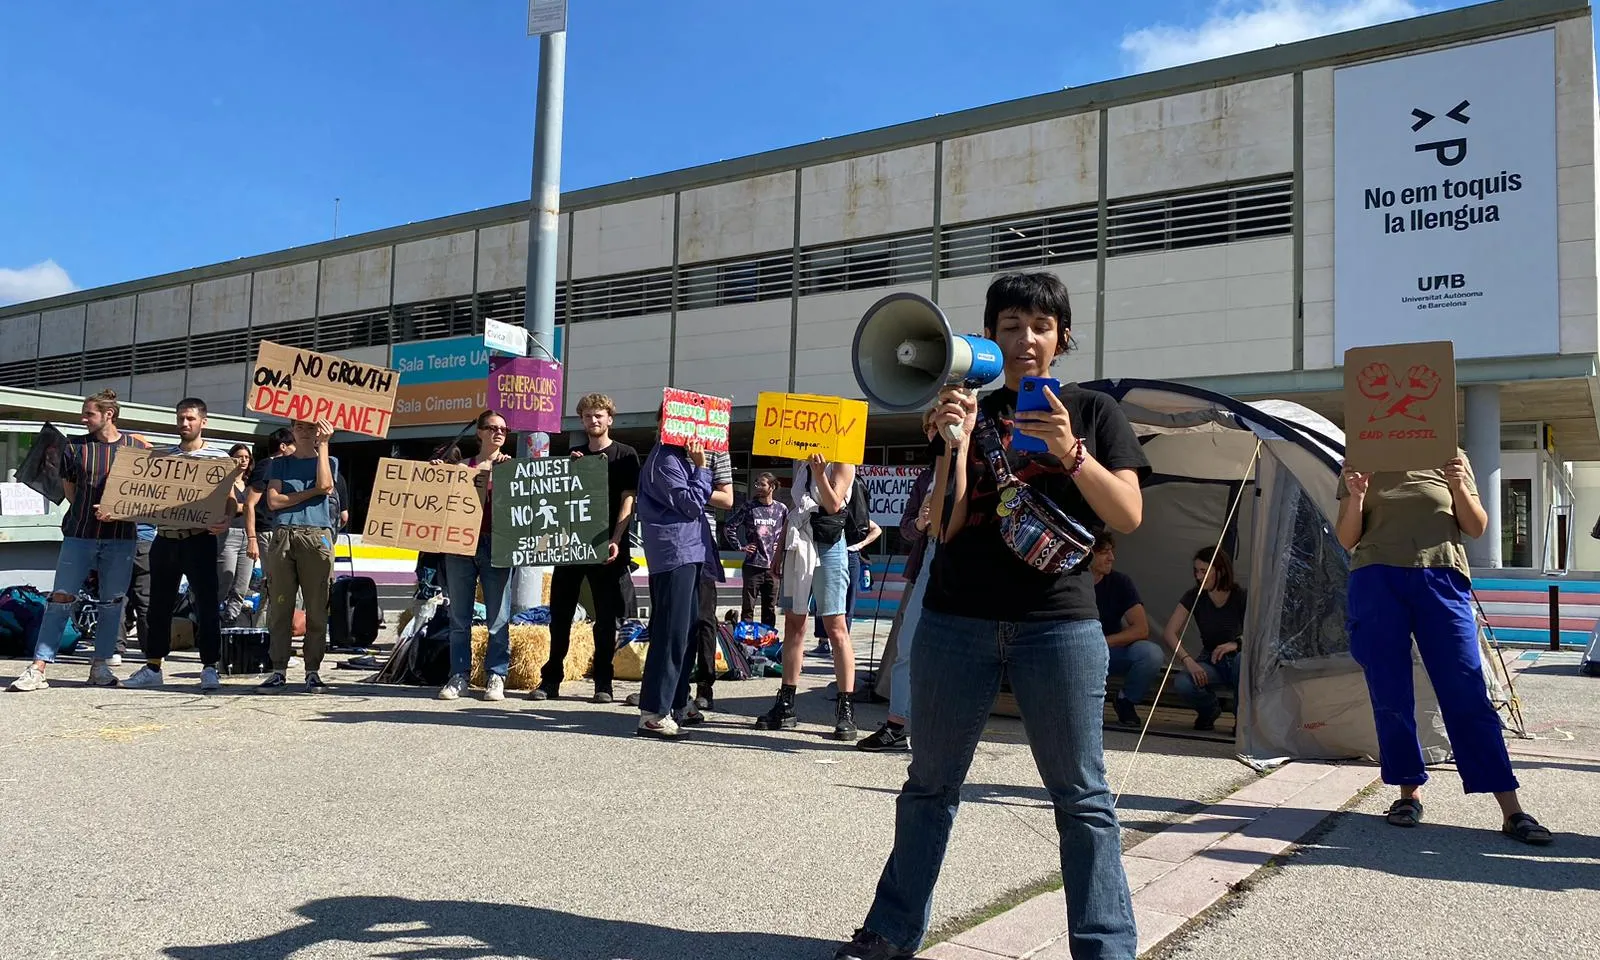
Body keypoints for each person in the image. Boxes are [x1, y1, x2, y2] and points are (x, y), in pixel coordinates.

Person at [837, 272, 1149, 960]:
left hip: (1060, 626)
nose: (1025, 339)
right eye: (1010, 326)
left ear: (1062, 338)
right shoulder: (965, 411)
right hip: (956, 620)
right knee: (929, 785)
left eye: (1040, 326)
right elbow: (944, 528)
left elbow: (1127, 513)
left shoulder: (1095, 413)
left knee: (1082, 795)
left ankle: (1105, 946)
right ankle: (890, 932)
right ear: (988, 337)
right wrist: (952, 442)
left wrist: (1070, 450)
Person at [1338, 452, 1552, 845]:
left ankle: (1511, 808)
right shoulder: (1364, 452)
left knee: (1467, 692)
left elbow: (1476, 526)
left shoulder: (1451, 455)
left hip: (1441, 577)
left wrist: (1456, 484)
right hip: (1375, 578)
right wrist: (1356, 494)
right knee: (1390, 693)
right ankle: (1408, 793)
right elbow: (1347, 537)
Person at [7, 390, 148, 692]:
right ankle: (39, 667)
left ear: (109, 415)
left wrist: (117, 512)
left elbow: (144, 492)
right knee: (60, 598)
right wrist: (91, 511)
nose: (84, 420)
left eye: (90, 414)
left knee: (113, 603)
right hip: (79, 535)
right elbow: (71, 491)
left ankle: (100, 667)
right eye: (84, 414)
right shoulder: (76, 447)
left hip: (121, 539)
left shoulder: (135, 447)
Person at [124, 398, 239, 691]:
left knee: (207, 605)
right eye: (180, 419)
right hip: (164, 539)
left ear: (203, 421)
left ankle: (210, 667)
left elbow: (231, 501)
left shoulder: (218, 458)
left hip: (199, 540)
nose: (184, 424)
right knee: (157, 606)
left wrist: (225, 519)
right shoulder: (163, 459)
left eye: (189, 418)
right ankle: (153, 666)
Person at [542, 393, 640, 703]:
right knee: (560, 614)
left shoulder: (626, 454)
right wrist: (571, 473)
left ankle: (603, 683)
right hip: (571, 547)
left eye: (599, 415)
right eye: (587, 416)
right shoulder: (574, 456)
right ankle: (550, 680)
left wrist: (616, 537)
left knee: (606, 618)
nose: (593, 420)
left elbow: (629, 498)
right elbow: (557, 502)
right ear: (582, 421)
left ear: (610, 419)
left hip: (607, 547)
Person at [754, 453, 860, 741]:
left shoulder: (842, 461)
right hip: (798, 543)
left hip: (829, 544)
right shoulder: (802, 463)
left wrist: (819, 471)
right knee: (793, 623)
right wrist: (778, 551)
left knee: (836, 626)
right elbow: (795, 507)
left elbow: (834, 503)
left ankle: (845, 709)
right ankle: (786, 703)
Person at [858, 410, 940, 753]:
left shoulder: (977, 466)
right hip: (929, 560)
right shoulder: (925, 477)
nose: (938, 430)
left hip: (967, 567)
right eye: (932, 425)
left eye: (944, 422)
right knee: (908, 647)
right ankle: (897, 725)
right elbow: (906, 528)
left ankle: (943, 727)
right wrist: (919, 524)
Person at [634, 432, 720, 739]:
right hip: (675, 554)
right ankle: (654, 712)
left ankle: (678, 701)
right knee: (671, 633)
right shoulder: (666, 459)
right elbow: (692, 504)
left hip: (690, 552)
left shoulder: (677, 456)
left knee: (688, 631)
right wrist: (702, 467)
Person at [434, 411, 514, 703]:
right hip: (460, 545)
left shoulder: (512, 468)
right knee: (459, 616)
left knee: (498, 616)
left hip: (498, 545)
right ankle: (459, 675)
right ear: (479, 432)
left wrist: (509, 473)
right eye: (492, 428)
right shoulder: (460, 467)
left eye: (503, 429)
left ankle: (496, 675)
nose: (498, 433)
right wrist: (434, 476)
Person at [253, 418, 338, 694]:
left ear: (319, 432)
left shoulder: (329, 460)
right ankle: (279, 668)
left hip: (316, 533)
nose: (305, 432)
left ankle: (312, 670)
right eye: (299, 427)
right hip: (284, 534)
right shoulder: (278, 464)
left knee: (316, 606)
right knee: (280, 605)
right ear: (291, 430)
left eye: (311, 427)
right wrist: (311, 492)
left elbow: (325, 485)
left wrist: (323, 445)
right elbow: (273, 501)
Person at [1161, 547, 1246, 731]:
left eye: (1204, 571)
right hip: (1212, 660)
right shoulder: (1195, 595)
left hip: (1238, 660)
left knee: (1242, 661)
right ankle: (1209, 709)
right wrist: (1188, 660)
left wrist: (1236, 644)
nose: (1199, 577)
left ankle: (1242, 721)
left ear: (1220, 571)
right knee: (1183, 682)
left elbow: (1259, 632)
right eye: (1197, 571)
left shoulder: (1240, 596)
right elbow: (1169, 632)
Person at [1092, 534, 1162, 728]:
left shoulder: (1120, 582)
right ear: (1087, 554)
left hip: (1109, 650)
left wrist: (1103, 642)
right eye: (1105, 553)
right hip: (1074, 650)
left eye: (1112, 552)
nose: (1112, 558)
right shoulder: (1071, 581)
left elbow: (1141, 629)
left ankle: (1126, 700)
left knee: (1151, 654)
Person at [688, 449, 734, 711]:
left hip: (702, 540)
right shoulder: (667, 444)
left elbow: (727, 500)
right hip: (671, 539)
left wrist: (689, 487)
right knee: (668, 617)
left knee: (705, 618)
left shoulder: (717, 450)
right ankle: (669, 684)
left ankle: (705, 685)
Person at [724, 472, 787, 625]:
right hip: (753, 565)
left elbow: (788, 532)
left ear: (771, 487)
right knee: (748, 608)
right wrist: (740, 547)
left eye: (762, 484)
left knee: (770, 609)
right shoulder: (749, 507)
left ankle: (767, 643)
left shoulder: (781, 509)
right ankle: (746, 643)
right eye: (757, 484)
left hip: (773, 567)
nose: (758, 487)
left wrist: (782, 546)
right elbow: (729, 527)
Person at [218, 443, 256, 627]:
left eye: (247, 457)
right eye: (239, 456)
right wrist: (246, 507)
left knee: (242, 584)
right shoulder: (225, 480)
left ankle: (230, 620)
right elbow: (232, 506)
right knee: (225, 578)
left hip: (248, 533)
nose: (243, 460)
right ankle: (209, 616)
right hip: (229, 533)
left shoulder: (251, 483)